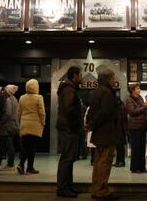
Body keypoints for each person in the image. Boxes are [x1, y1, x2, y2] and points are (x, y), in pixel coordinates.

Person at [87, 69, 121, 200]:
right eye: (112, 78)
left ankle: (96, 188)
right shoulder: (107, 92)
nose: (114, 80)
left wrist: (91, 124)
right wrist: (94, 124)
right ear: (107, 79)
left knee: (98, 161)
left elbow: (92, 111)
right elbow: (105, 112)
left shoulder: (96, 91)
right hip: (107, 132)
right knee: (105, 162)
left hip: (99, 133)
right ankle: (101, 191)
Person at [56, 66, 83, 198]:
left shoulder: (69, 88)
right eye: (80, 75)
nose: (82, 77)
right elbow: (69, 109)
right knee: (67, 159)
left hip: (68, 127)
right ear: (75, 76)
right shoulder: (69, 90)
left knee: (69, 159)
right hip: (68, 128)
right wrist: (75, 123)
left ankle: (68, 186)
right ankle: (62, 188)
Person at [17, 79, 45, 175]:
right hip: (35, 125)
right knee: (32, 148)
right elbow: (42, 112)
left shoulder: (21, 98)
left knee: (26, 147)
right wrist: (43, 122)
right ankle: (28, 168)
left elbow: (19, 112)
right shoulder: (39, 97)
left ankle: (23, 165)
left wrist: (20, 122)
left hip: (24, 125)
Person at [125, 83, 147, 173]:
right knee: (136, 148)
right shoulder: (129, 100)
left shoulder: (140, 98)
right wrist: (145, 106)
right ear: (133, 90)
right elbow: (132, 112)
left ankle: (142, 167)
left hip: (142, 126)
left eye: (139, 88)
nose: (139, 90)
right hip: (134, 127)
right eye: (138, 88)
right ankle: (135, 168)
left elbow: (142, 110)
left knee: (142, 148)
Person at [0, 85, 21, 171]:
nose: (3, 91)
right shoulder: (15, 99)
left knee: (9, 145)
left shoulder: (8, 99)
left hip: (8, 125)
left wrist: (1, 122)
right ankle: (11, 163)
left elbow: (7, 113)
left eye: (4, 89)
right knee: (11, 145)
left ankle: (10, 164)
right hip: (14, 124)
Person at [113, 99, 127, 168]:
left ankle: (121, 161)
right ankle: (119, 161)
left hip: (120, 130)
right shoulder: (120, 108)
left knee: (120, 147)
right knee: (119, 146)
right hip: (119, 129)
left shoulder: (121, 109)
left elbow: (121, 120)